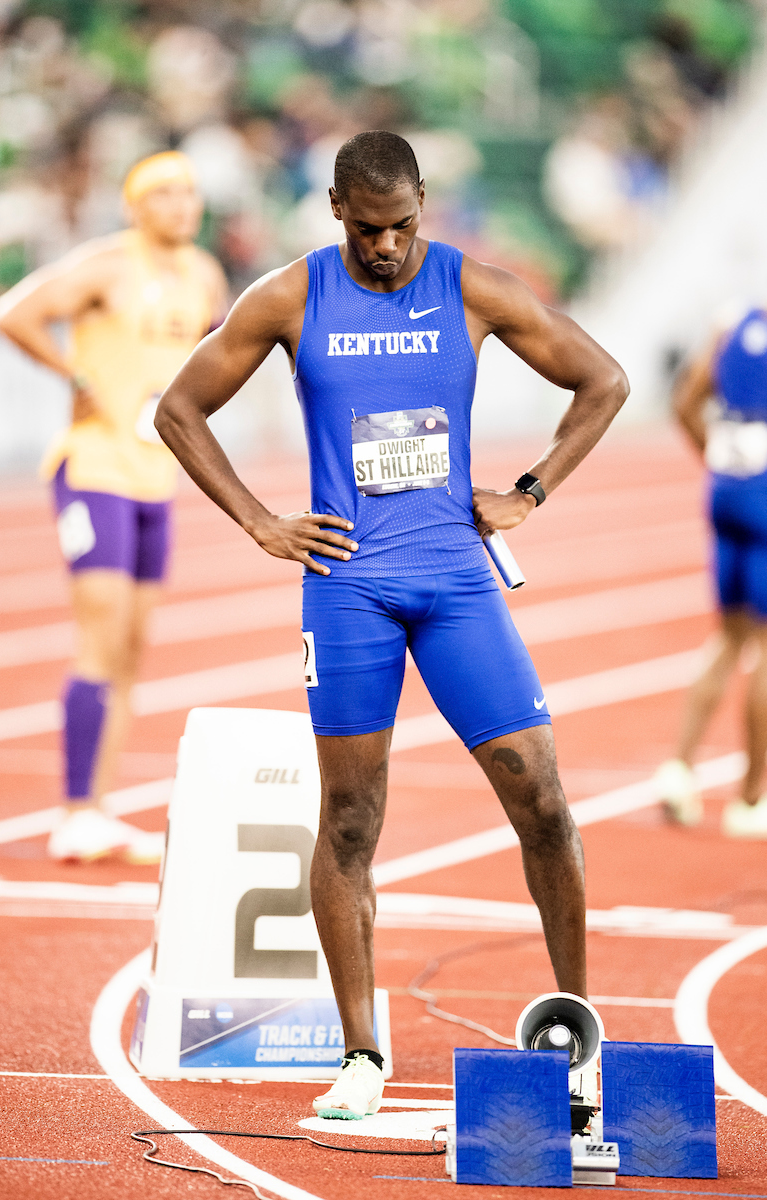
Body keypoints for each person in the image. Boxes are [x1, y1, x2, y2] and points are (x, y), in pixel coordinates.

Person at [154, 131, 628, 1117]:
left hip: (456, 583)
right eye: (368, 229)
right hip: (348, 589)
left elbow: (604, 380)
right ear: (336, 209)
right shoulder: (291, 296)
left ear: (423, 205)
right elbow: (178, 410)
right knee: (349, 819)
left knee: (540, 798)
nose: (385, 246)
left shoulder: (471, 287)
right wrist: (258, 521)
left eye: (402, 225)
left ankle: (576, 1031)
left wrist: (531, 490)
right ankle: (361, 1054)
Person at [0, 151, 228, 863]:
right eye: (165, 193)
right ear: (134, 206)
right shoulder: (107, 265)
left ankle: (100, 808)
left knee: (131, 650)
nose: (182, 204)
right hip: (94, 470)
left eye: (190, 192)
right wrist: (75, 376)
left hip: (157, 476)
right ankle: (75, 811)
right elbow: (13, 314)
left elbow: (217, 352)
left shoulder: (205, 275)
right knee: (100, 637)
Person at [654, 304, 767, 838]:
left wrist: (721, 460)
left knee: (729, 636)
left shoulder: (730, 326)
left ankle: (680, 768)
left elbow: (684, 403)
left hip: (726, 491)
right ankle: (751, 799)